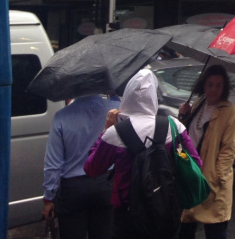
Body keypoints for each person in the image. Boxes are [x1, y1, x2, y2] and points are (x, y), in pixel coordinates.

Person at [85, 69, 201, 239]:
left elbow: (92, 168)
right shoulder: (174, 126)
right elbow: (196, 163)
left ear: (128, 96)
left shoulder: (114, 133)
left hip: (127, 216)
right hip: (166, 209)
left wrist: (105, 131)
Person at [43, 93, 119, 239]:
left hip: (72, 190)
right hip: (105, 184)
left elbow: (53, 164)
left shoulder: (61, 117)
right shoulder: (114, 110)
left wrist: (49, 198)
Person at [178, 65, 235, 239]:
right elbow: (186, 135)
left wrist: (217, 178)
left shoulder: (230, 112)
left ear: (225, 87)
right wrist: (183, 116)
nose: (214, 89)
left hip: (212, 180)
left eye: (219, 85)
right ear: (203, 85)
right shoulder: (199, 104)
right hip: (192, 174)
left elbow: (229, 149)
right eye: (210, 84)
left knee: (215, 229)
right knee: (185, 227)